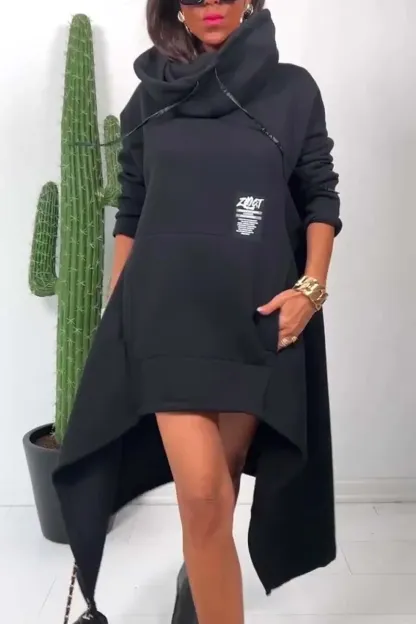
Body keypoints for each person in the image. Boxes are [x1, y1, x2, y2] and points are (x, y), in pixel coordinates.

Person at [53, 1, 342, 623]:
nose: (210, 4)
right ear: (176, 9)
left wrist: (311, 288)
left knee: (223, 480)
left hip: (253, 319)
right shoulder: (149, 97)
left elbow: (319, 193)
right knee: (204, 495)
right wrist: (120, 303)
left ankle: (199, 581)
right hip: (165, 317)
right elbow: (132, 206)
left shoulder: (292, 90)